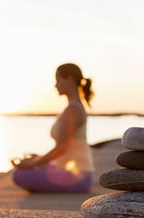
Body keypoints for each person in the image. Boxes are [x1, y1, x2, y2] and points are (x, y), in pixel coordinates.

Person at [11, 63, 95, 193]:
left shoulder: (73, 110)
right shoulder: (73, 108)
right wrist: (38, 158)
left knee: (19, 174)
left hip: (77, 177)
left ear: (70, 79)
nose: (55, 85)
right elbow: (65, 149)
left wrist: (33, 164)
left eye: (58, 80)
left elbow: (62, 148)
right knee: (28, 167)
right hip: (71, 171)